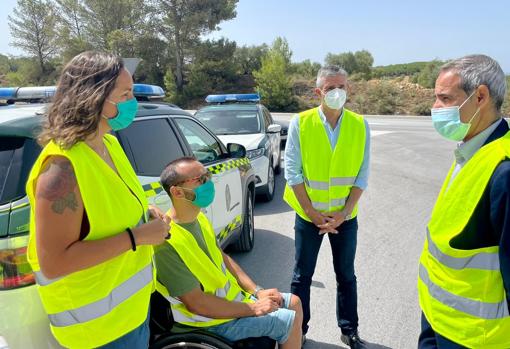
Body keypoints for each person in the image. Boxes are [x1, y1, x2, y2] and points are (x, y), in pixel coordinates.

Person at [26, 51, 170, 349]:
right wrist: (136, 237)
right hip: (95, 335)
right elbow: (53, 262)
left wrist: (145, 215)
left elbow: (108, 209)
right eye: (125, 94)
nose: (133, 102)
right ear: (94, 98)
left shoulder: (109, 145)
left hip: (131, 317)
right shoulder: (60, 169)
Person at [155, 157, 303, 349]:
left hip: (231, 303)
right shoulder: (166, 242)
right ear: (177, 192)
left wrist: (257, 291)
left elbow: (224, 259)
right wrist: (252, 308)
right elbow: (197, 304)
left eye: (207, 176)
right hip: (206, 321)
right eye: (200, 180)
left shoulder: (200, 219)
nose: (208, 183)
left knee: (294, 303)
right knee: (286, 322)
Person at [417, 54, 510, 348]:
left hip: (473, 338)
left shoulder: (504, 170)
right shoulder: (471, 150)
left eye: (444, 98)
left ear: (480, 96)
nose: (435, 108)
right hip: (437, 318)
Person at [283, 65, 370, 348]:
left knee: (346, 274)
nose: (337, 92)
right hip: (309, 217)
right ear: (318, 91)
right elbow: (293, 173)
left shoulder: (359, 124)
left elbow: (361, 176)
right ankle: (299, 329)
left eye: (342, 87)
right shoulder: (301, 122)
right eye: (331, 88)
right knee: (301, 276)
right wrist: (312, 213)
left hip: (344, 218)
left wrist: (343, 214)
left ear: (349, 89)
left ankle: (349, 329)